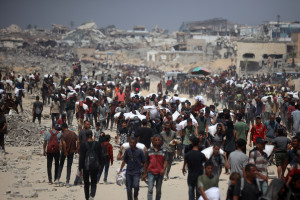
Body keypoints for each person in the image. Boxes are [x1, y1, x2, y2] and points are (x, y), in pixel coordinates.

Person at [79, 130, 103, 200]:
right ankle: (92, 195)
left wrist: (80, 169)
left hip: (86, 167)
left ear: (86, 136)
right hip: (95, 166)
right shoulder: (97, 144)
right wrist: (100, 165)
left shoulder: (83, 145)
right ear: (92, 135)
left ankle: (87, 197)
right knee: (93, 182)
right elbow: (100, 156)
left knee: (86, 183)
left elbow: (82, 158)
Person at [143, 134, 168, 200]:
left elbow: (166, 161)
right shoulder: (148, 151)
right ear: (152, 141)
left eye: (158, 140)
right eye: (155, 140)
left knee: (158, 190)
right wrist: (145, 173)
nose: (157, 141)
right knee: (150, 189)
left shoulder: (164, 151)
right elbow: (146, 163)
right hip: (151, 172)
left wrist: (164, 169)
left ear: (161, 141)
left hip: (160, 173)